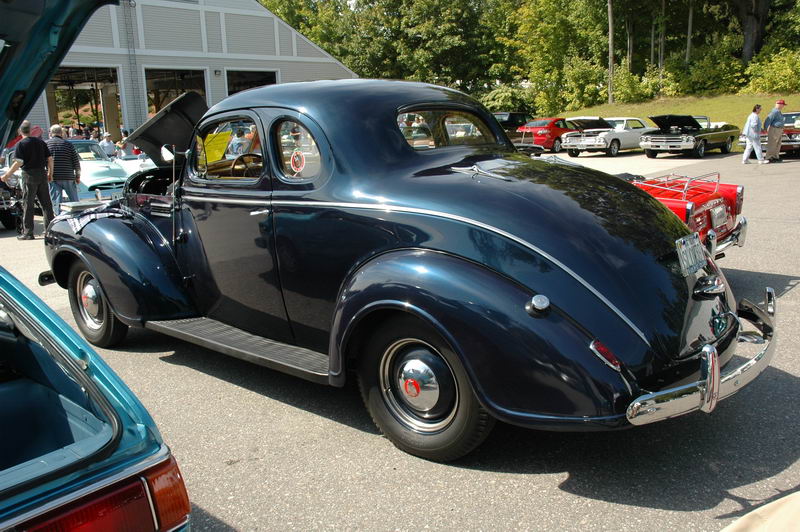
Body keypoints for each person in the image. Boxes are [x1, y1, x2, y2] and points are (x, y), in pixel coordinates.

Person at [0, 120, 55, 239]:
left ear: (20, 131)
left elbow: (18, 162)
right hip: (42, 173)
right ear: (30, 130)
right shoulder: (41, 142)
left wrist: (7, 175)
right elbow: (50, 159)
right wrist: (50, 173)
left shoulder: (21, 144)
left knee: (28, 204)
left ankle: (28, 233)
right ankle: (50, 231)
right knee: (46, 204)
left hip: (29, 175)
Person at [46, 124, 81, 215]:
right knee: (74, 200)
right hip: (68, 176)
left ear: (51, 133)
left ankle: (59, 217)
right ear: (61, 133)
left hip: (53, 177)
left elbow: (43, 161)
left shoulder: (46, 144)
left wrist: (47, 173)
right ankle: (77, 216)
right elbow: (76, 162)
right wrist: (78, 176)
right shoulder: (68, 144)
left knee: (56, 202)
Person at [764, 99, 786, 163]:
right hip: (774, 129)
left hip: (779, 129)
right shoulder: (774, 112)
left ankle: (775, 157)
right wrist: (765, 128)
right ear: (779, 105)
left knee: (778, 144)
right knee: (772, 144)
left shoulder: (778, 111)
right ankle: (769, 157)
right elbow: (768, 120)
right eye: (783, 105)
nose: (783, 106)